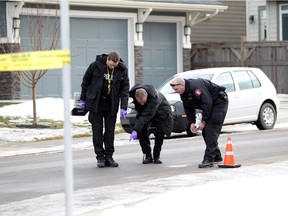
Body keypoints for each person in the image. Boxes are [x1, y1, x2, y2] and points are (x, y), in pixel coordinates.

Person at [80, 51, 130, 168]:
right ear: (107, 59)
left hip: (111, 104)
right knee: (97, 131)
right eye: (111, 64)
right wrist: (83, 100)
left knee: (109, 132)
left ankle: (109, 157)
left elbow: (124, 90)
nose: (112, 67)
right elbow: (85, 82)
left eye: (114, 65)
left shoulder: (122, 70)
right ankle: (100, 157)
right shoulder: (95, 66)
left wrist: (123, 107)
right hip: (96, 104)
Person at [170, 76, 228, 168]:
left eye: (176, 89)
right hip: (210, 105)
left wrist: (203, 121)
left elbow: (207, 103)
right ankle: (217, 156)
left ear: (182, 84)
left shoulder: (196, 87)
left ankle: (209, 159)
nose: (175, 91)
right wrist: (192, 122)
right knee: (206, 132)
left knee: (210, 130)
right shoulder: (184, 93)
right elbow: (188, 108)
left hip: (218, 102)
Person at [129, 84, 173, 164]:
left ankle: (156, 156)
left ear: (147, 96)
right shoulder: (133, 93)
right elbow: (143, 115)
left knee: (160, 132)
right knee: (142, 130)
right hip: (146, 111)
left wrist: (135, 130)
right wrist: (137, 130)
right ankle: (147, 155)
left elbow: (147, 115)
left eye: (143, 102)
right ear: (135, 97)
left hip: (162, 111)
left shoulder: (154, 97)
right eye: (140, 102)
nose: (142, 104)